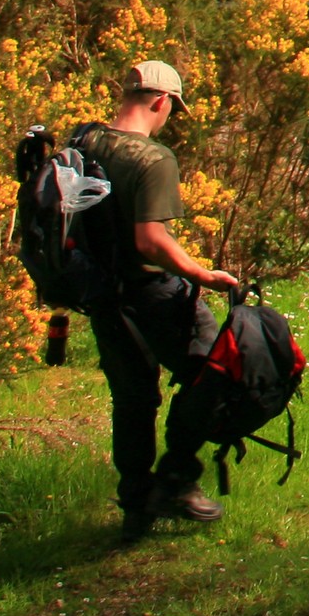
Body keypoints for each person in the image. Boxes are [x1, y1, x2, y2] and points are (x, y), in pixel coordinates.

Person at [77, 60, 243, 542]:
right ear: (160, 101)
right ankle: (175, 479)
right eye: (173, 107)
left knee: (132, 397)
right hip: (154, 294)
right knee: (218, 372)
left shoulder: (84, 142)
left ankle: (136, 502)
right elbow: (150, 240)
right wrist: (201, 274)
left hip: (103, 295)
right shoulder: (152, 160)